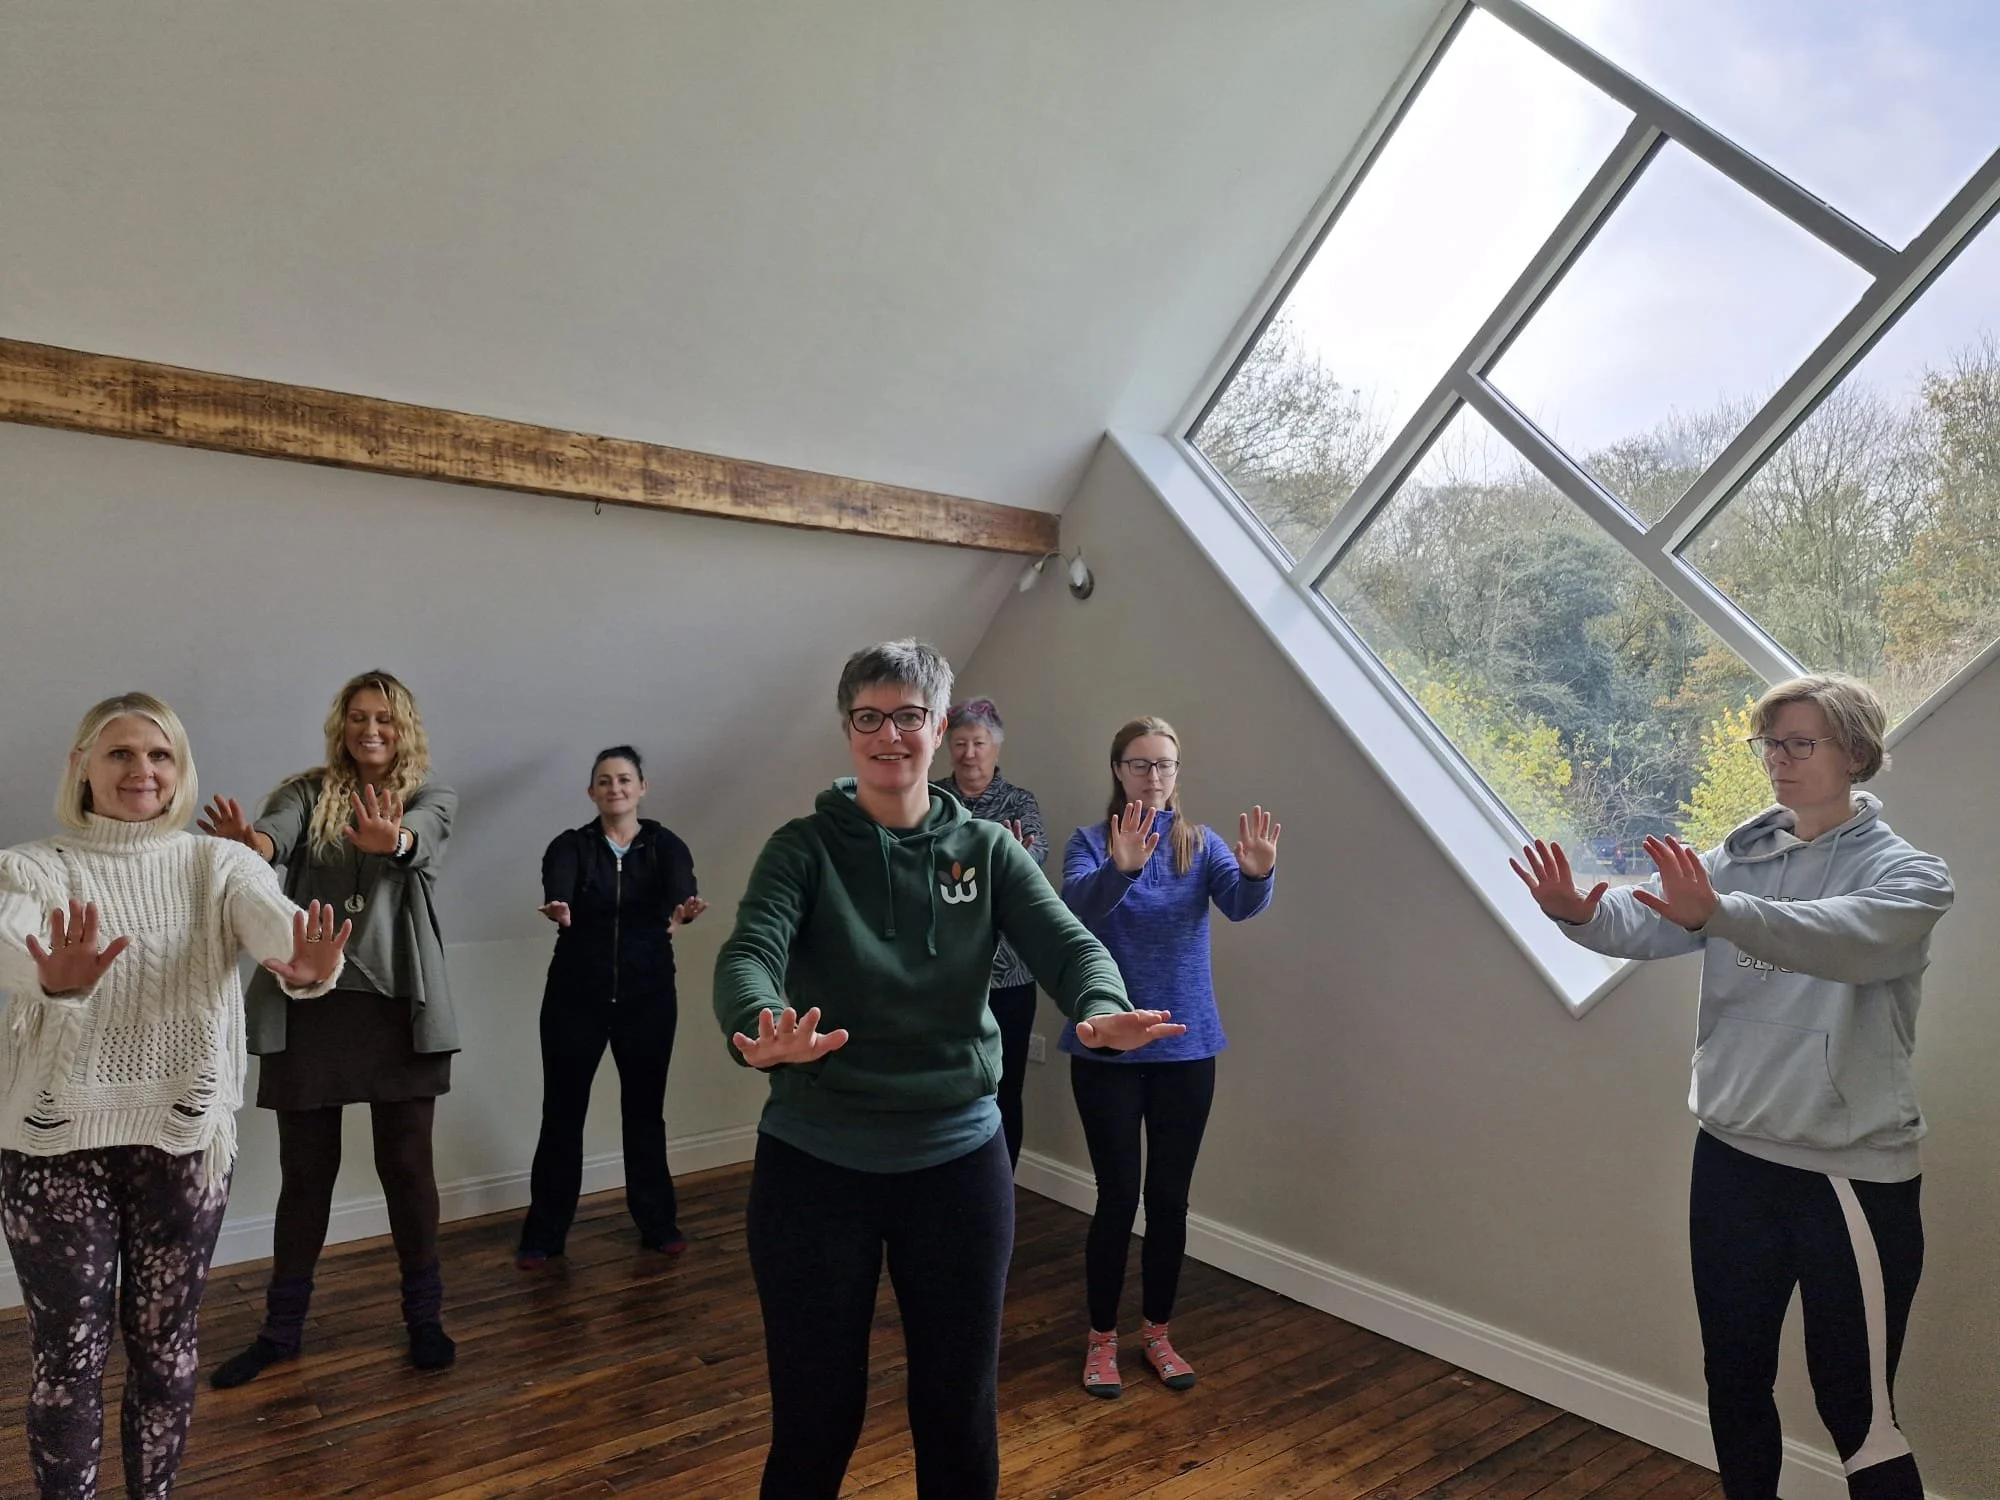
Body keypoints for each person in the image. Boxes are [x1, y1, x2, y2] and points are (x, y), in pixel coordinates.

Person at [714, 640, 1184, 1500]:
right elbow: (749, 953)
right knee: (816, 1420)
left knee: (957, 1413)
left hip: (957, 1166)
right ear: (848, 727)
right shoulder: (803, 848)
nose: (888, 735)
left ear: (939, 725)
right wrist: (758, 1024)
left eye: (908, 717)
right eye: (868, 717)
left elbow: (1068, 945)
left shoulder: (989, 849)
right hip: (815, 1165)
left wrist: (1099, 1002)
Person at [1511, 674, 1952, 1500]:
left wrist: (1720, 913)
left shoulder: (1911, 878)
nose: (1778, 760)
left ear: (1855, 752)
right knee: (1734, 1376)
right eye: (1770, 743)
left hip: (1845, 1173)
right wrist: (1577, 913)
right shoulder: (1740, 855)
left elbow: (1840, 940)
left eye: (1800, 743)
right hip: (1730, 1159)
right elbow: (1650, 920)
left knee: (1859, 1411)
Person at [0, 693, 348, 1499]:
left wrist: (303, 960)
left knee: (165, 1347)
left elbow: (270, 920)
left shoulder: (218, 863)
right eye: (120, 753)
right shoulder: (31, 865)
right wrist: (46, 971)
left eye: (159, 755)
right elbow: (13, 931)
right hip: (55, 1149)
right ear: (82, 766)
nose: (141, 771)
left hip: (182, 1142)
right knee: (68, 1355)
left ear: (180, 770)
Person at [201, 670, 462, 1386]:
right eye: (356, 718)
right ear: (340, 726)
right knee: (305, 1176)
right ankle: (281, 1331)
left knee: (406, 1168)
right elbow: (273, 839)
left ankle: (424, 1320)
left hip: (396, 1004)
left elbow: (424, 840)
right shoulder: (306, 791)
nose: (369, 730)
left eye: (383, 718)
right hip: (310, 998)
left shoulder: (431, 794)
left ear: (403, 726)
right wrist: (247, 845)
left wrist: (395, 838)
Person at [1060, 715, 1279, 1399]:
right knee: (1118, 1196)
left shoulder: (1199, 844)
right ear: (1118, 770)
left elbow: (1239, 905)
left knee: (1171, 1201)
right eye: (1141, 764)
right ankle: (1101, 1341)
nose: (1154, 777)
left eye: (1165, 765)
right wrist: (1122, 867)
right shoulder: (1090, 844)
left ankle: (1156, 1332)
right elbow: (1073, 913)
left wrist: (1258, 874)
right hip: (1106, 1047)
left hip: (1188, 1047)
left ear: (1177, 774)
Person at [516, 745, 706, 1267]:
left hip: (648, 1000)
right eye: (604, 781)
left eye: (624, 779)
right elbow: (558, 885)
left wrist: (684, 907)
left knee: (645, 1115)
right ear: (591, 792)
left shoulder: (665, 845)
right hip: (575, 999)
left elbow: (681, 888)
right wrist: (559, 905)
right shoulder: (571, 846)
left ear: (642, 787)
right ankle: (544, 1235)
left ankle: (659, 1224)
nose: (614, 788)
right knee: (561, 1115)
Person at [932, 698, 1047, 1170]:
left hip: (1011, 974)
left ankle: (1001, 1184)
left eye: (978, 742)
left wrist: (1010, 864)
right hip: (943, 972)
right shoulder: (931, 800)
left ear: (995, 747)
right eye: (959, 743)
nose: (969, 753)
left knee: (1005, 1087)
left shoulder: (1021, 803)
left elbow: (1032, 866)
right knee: (945, 1084)